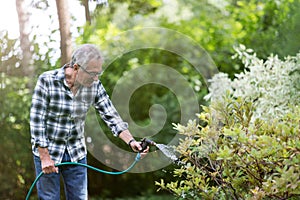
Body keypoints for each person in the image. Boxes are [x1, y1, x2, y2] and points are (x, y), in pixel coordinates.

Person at [30, 44, 147, 199]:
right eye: (93, 73)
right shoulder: (47, 81)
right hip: (47, 152)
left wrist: (131, 141)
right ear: (76, 67)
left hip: (76, 152)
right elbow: (37, 120)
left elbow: (111, 115)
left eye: (98, 73)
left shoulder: (94, 86)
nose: (96, 78)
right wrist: (44, 157)